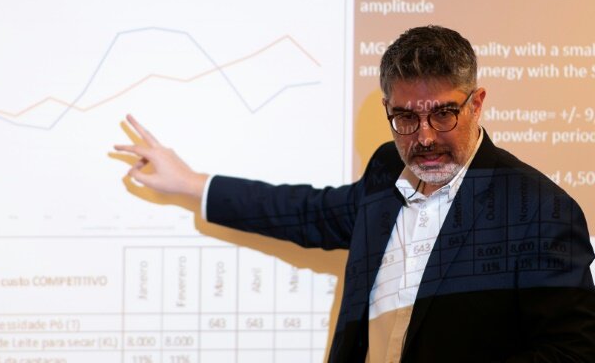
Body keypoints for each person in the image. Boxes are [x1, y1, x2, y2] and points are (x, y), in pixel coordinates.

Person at [114, 25, 595, 362]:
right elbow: (308, 213)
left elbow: (571, 352)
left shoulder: (541, 211)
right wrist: (191, 183)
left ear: (477, 103)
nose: (424, 136)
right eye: (406, 117)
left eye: (443, 114)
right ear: (388, 108)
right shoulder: (387, 169)